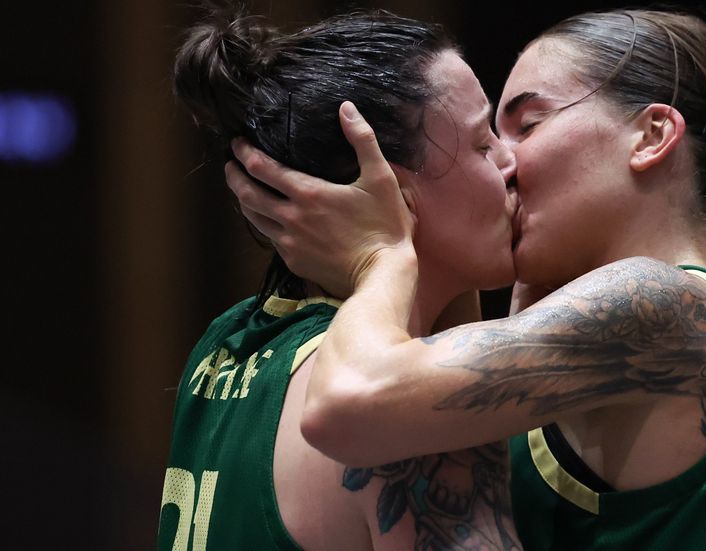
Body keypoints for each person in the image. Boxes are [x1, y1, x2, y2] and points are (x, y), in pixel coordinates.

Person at [227, 8, 706, 550]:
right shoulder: (685, 317)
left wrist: (380, 255)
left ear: (651, 134)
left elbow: (351, 404)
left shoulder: (665, 308)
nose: (501, 162)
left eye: (528, 123)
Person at [158, 4, 522, 550]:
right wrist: (390, 253)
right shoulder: (405, 409)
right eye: (481, 143)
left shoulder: (224, 343)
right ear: (392, 196)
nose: (510, 161)